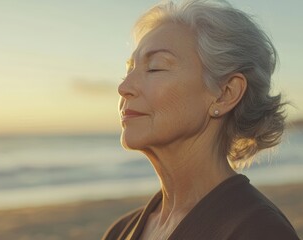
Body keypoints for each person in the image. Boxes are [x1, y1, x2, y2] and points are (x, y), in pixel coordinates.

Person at [102, 0, 300, 239]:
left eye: (155, 68)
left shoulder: (259, 231)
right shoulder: (120, 231)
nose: (124, 87)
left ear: (225, 94)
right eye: (129, 70)